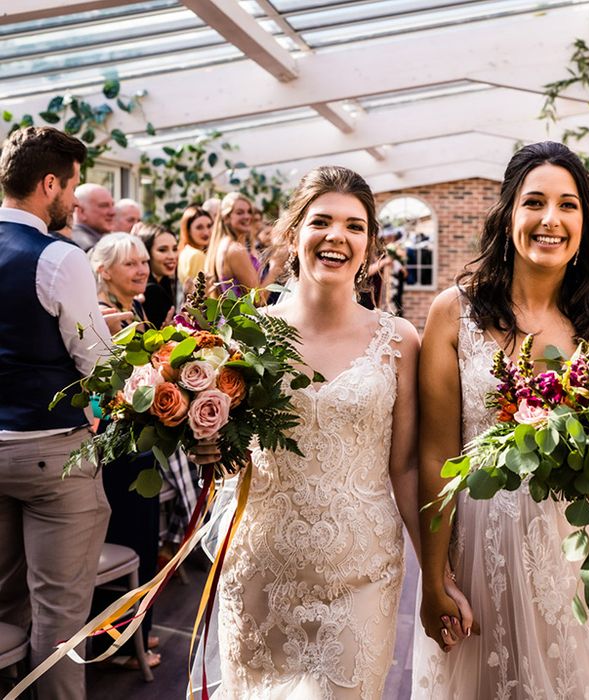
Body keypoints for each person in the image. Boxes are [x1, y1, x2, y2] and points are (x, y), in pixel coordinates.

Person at [414, 141, 589, 698]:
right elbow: (435, 455)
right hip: (482, 548)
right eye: (535, 202)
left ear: (585, 221)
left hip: (580, 553)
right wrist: (433, 578)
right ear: (509, 214)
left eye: (568, 205)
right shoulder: (455, 312)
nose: (552, 220)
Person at [194, 166, 423, 698]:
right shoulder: (242, 335)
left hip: (362, 571)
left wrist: (437, 575)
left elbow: (407, 465)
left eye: (355, 226)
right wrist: (206, 445)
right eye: (321, 221)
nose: (337, 236)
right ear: (293, 234)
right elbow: (228, 452)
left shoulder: (399, 340)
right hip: (261, 566)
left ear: (369, 246)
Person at [0, 126, 112, 699]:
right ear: (49, 184)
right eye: (71, 188)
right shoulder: (59, 257)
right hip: (49, 457)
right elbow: (96, 365)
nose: (72, 200)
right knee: (60, 612)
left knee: (1, 601)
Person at [89, 233, 163, 670]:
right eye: (131, 263)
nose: (142, 270)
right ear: (104, 270)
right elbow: (103, 392)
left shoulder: (132, 308)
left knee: (143, 540)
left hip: (138, 443)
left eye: (143, 262)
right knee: (129, 538)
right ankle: (117, 644)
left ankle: (135, 631)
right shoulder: (102, 316)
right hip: (119, 447)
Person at [204, 192, 287, 301]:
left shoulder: (223, 245)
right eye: (240, 212)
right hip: (242, 317)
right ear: (226, 217)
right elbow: (257, 300)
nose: (247, 216)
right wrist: (276, 266)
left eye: (249, 212)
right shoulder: (235, 250)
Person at [131, 222, 178, 329]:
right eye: (162, 250)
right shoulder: (151, 290)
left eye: (175, 249)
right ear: (146, 253)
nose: (172, 256)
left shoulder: (164, 281)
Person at [177, 205, 213, 293]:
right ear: (188, 230)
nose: (206, 232)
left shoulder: (185, 252)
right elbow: (201, 294)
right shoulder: (196, 255)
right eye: (199, 227)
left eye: (209, 226)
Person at [71, 182, 115, 251]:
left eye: (112, 205)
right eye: (104, 206)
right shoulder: (88, 247)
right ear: (81, 212)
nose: (112, 212)